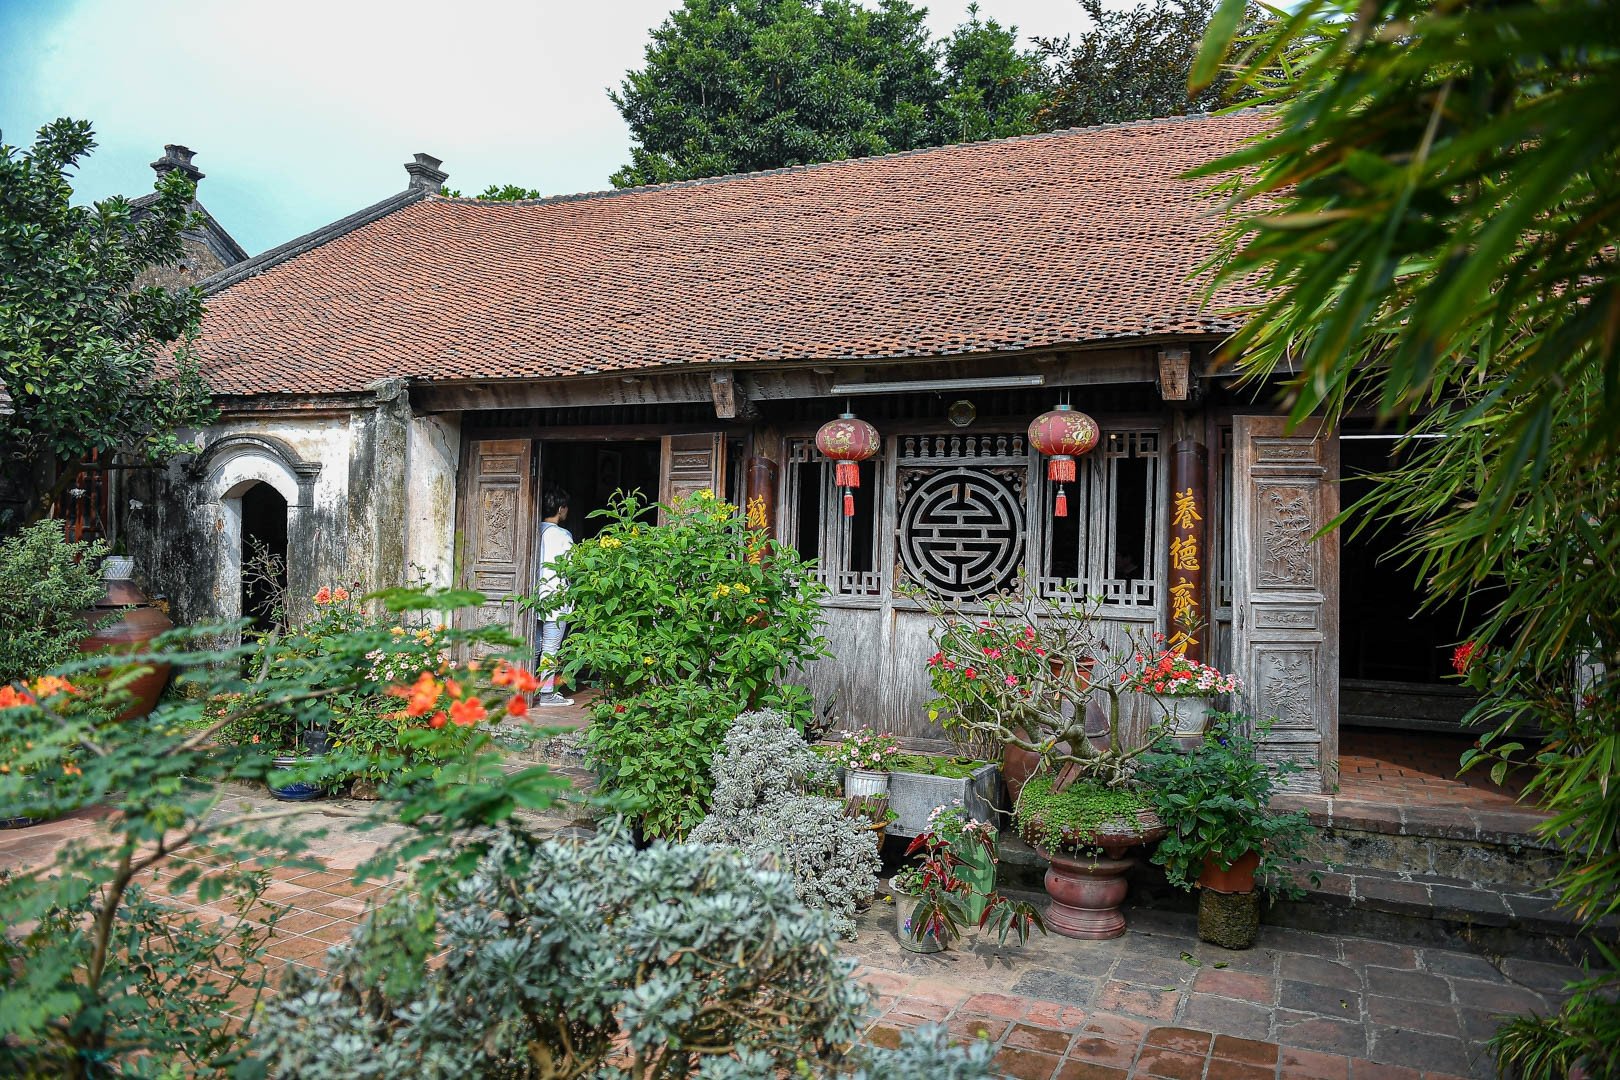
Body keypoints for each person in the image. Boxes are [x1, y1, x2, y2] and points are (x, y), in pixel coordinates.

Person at [535, 485, 574, 706]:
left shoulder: (535, 530)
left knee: (536, 646)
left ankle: (530, 689)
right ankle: (547, 694)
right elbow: (571, 567)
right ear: (561, 509)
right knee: (551, 647)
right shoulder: (561, 535)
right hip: (556, 598)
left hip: (535, 598)